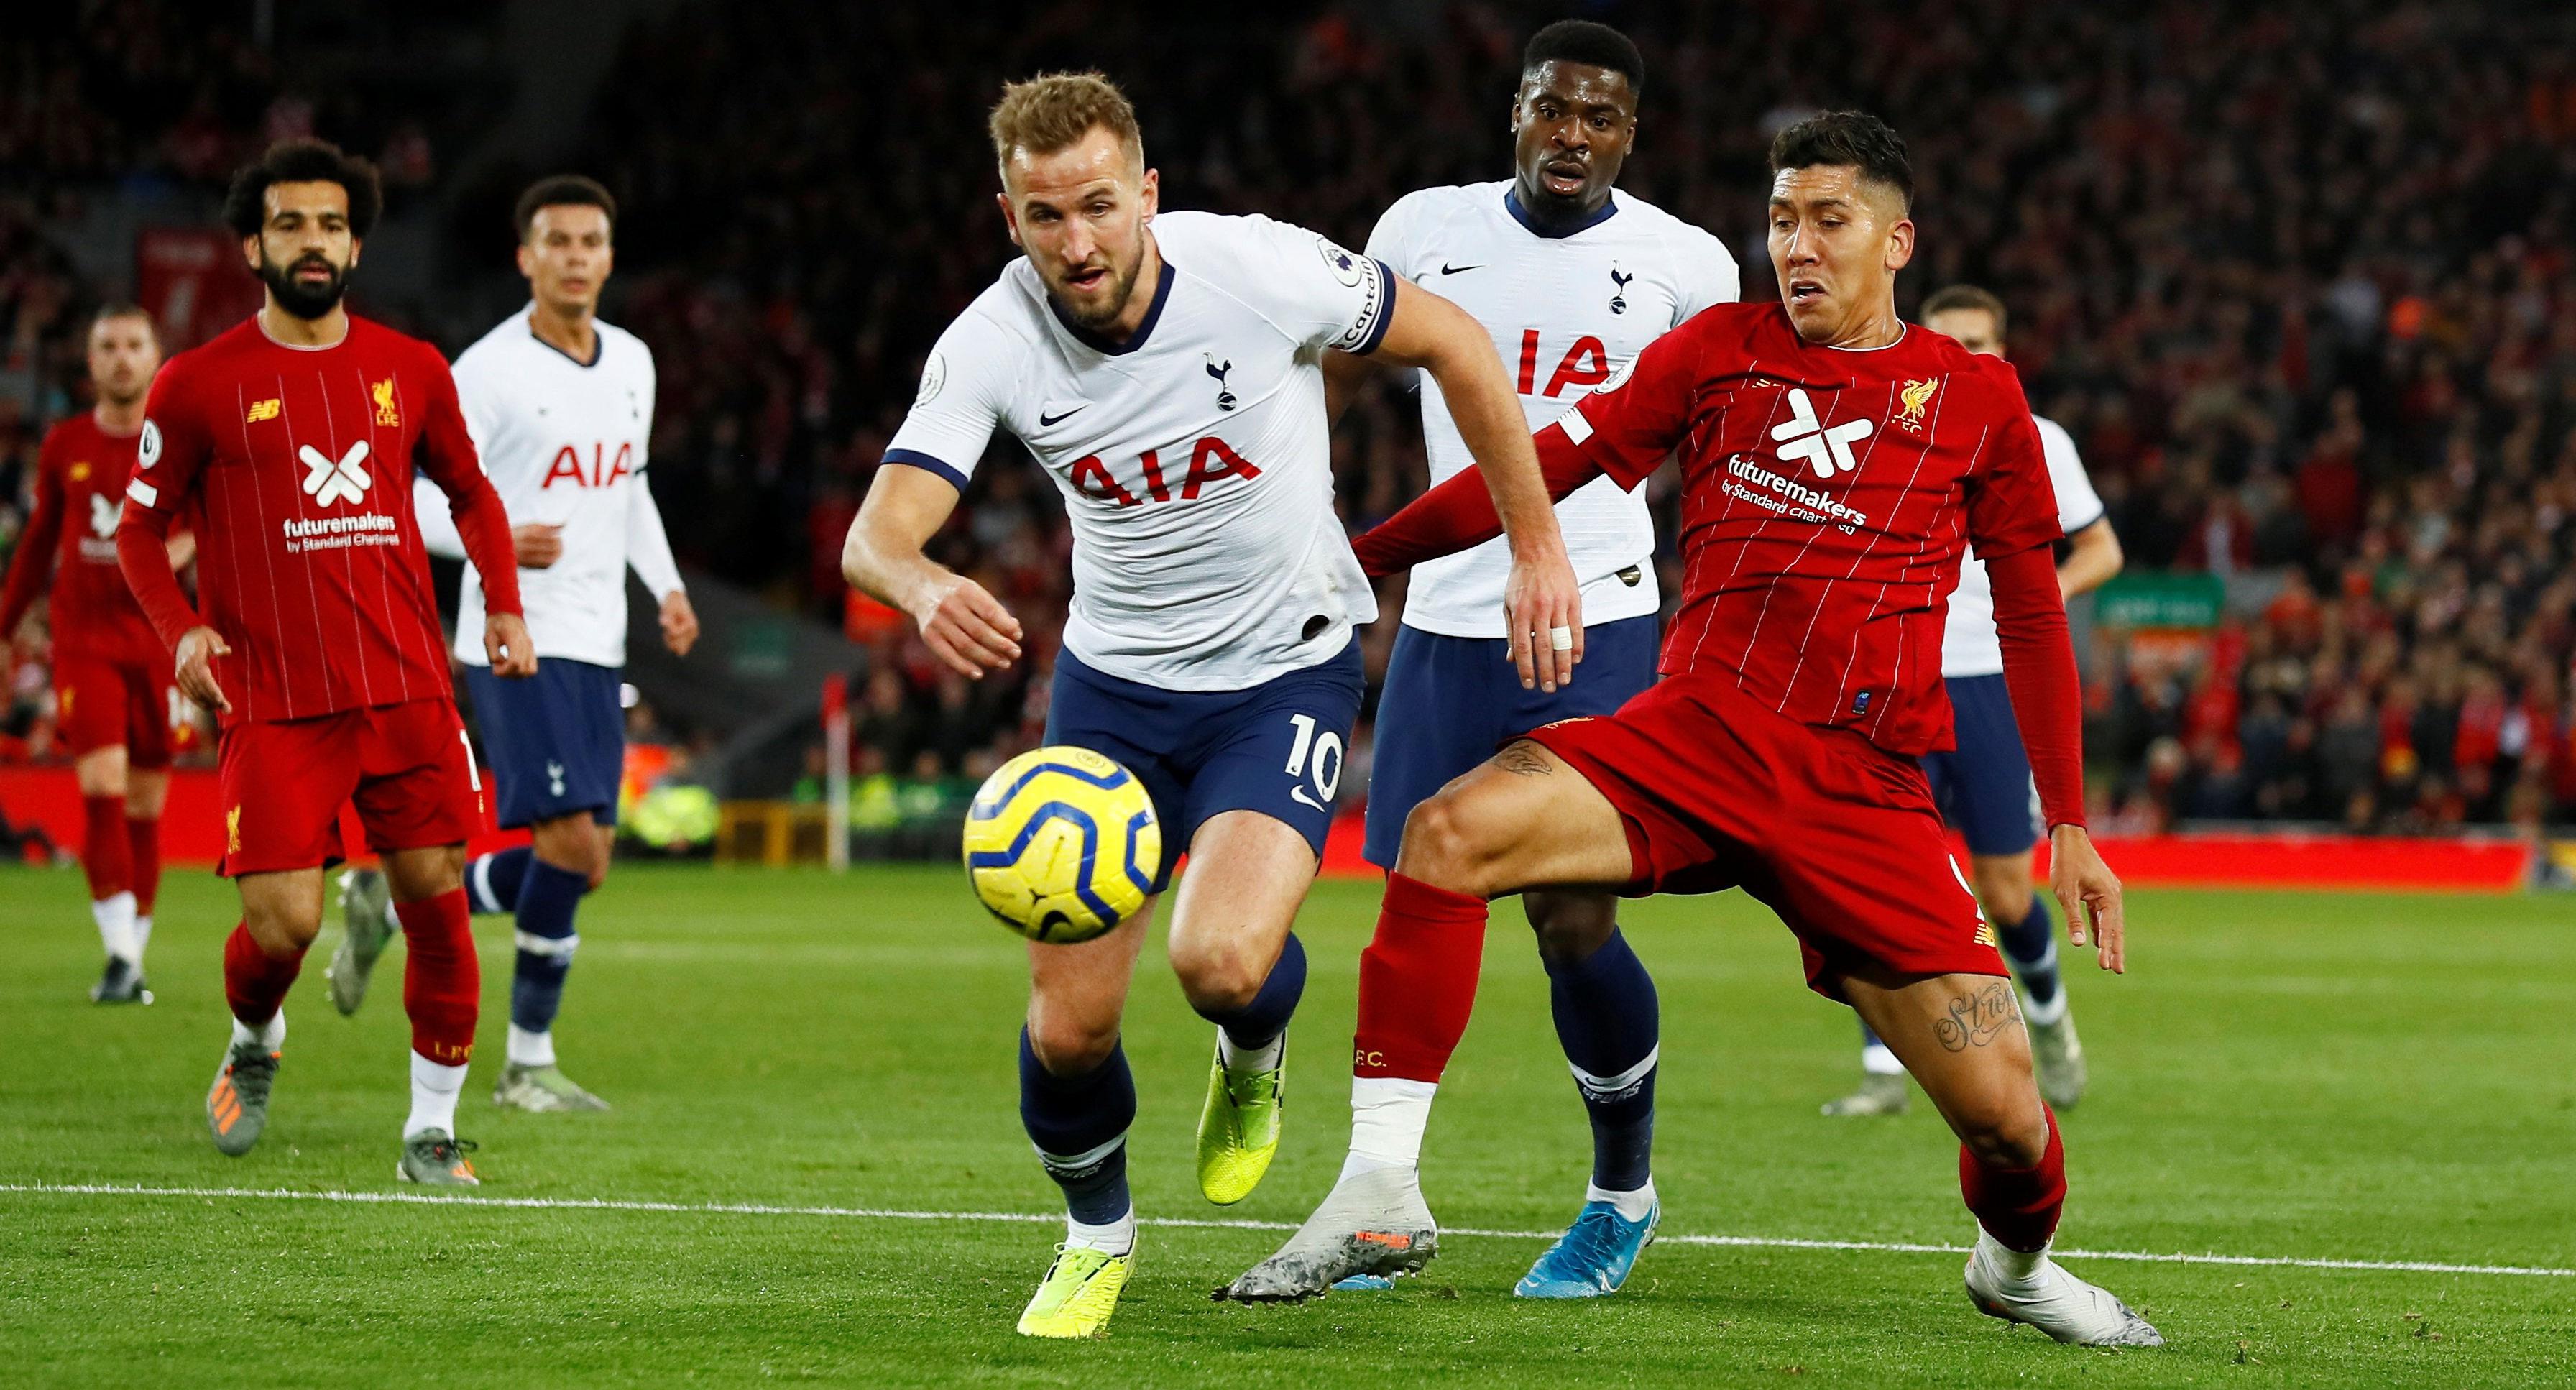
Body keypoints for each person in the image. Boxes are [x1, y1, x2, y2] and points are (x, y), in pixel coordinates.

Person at [1223, 111, 2161, 1348]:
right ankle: (1379, 1188)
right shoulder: (1714, 350)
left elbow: (2033, 611)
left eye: (1827, 219)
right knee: (1443, 832)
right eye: (1779, 219)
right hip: (1692, 737)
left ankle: (2015, 1266)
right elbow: (1540, 461)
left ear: (1895, 240)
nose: (1796, 245)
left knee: (2005, 1119)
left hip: (1860, 791)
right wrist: (1362, 557)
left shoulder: (1975, 397)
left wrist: (2073, 821)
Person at [840, 72, 1580, 1338]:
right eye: (1040, 216)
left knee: (1219, 959)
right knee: (1069, 1027)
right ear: (1005, 214)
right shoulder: (992, 337)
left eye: (1095, 206)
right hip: (1111, 696)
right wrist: (918, 582)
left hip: (1281, 668)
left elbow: (1453, 342)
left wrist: (1534, 545)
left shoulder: (1260, 272)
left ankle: (1251, 1050)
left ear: (1147, 194)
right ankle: (1092, 1235)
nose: (1074, 242)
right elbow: (876, 533)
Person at [1330, 19, 1735, 1298]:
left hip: (1599, 614)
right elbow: (1323, 372)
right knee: (1409, 895)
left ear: (1631, 134)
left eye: (1600, 118)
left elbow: (1721, 449)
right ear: (1515, 110)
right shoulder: (1417, 228)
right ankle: (1382, 1201)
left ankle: (1620, 1192)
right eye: (1553, 110)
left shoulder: (1683, 262)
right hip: (1447, 621)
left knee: (1569, 915)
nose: (1573, 136)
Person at [115, 137, 538, 1187]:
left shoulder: (411, 369)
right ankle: (253, 1040)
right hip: (276, 700)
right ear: (253, 243)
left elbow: (474, 497)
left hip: (405, 685)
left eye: (333, 225)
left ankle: (429, 1133)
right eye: (293, 224)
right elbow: (136, 532)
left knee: (438, 894)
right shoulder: (197, 383)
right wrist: (183, 632)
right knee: (283, 923)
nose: (315, 242)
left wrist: (503, 609)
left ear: (357, 243)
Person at [331, 174, 697, 1115]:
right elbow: (405, 496)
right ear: (525, 256)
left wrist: (667, 587)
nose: (575, 257)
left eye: (591, 241)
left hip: (600, 639)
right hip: (512, 633)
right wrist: (490, 535)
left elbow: (635, 486)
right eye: (556, 241)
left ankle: (396, 900)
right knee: (569, 843)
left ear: (610, 257)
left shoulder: (634, 364)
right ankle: (527, 1063)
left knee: (590, 858)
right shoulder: (485, 372)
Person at [1824, 283, 2124, 1118]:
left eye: (1979, 342)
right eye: (1949, 340)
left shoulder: (2036, 436)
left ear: (2001, 350)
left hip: (1988, 679)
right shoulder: (1884, 419)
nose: (1964, 355)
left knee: (2002, 889)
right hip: (1894, 673)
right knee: (1878, 872)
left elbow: (2102, 547)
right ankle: (1883, 1064)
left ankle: (2052, 1023)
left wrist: (2036, 596)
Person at [1, 305, 189, 1003]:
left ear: (155, 355)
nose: (120, 358)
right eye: (106, 344)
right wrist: (4, 625)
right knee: (103, 788)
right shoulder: (64, 444)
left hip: (159, 641)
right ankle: (116, 953)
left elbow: (208, 525)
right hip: (85, 640)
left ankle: (129, 960)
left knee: (145, 804)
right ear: (89, 359)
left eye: (133, 345)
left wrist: (182, 548)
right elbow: (40, 540)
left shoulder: (179, 442)